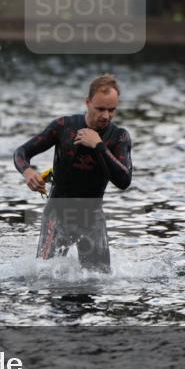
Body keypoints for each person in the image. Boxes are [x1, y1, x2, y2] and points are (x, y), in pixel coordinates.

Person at [13, 74, 133, 272]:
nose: (106, 116)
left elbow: (124, 180)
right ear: (87, 103)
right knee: (43, 275)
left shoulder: (119, 137)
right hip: (57, 214)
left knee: (98, 280)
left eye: (112, 110)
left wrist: (99, 146)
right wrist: (27, 171)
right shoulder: (64, 126)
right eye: (100, 109)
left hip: (92, 218)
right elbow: (22, 152)